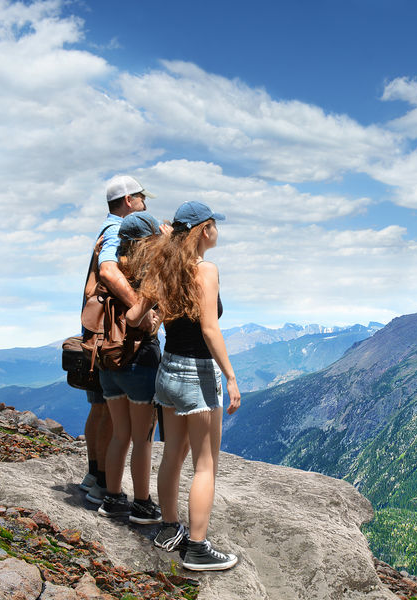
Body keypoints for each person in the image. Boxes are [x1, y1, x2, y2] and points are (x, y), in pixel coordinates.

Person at [126, 201, 241, 572]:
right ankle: (197, 547)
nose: (217, 232)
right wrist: (231, 376)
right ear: (204, 229)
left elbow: (132, 316)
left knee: (172, 454)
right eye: (214, 226)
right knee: (205, 465)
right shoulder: (206, 270)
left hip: (168, 370)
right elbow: (209, 327)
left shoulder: (162, 268)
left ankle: (168, 528)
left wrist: (157, 313)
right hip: (198, 374)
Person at [82, 175, 156, 505]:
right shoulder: (116, 230)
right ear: (128, 200)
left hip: (99, 336)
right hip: (123, 341)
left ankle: (97, 479)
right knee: (126, 426)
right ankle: (112, 489)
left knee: (103, 409)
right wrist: (141, 309)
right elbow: (110, 272)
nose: (144, 202)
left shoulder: (104, 230)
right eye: (141, 197)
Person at [95, 212, 164, 524]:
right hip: (140, 360)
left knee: (119, 434)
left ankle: (111, 498)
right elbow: (149, 323)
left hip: (109, 359)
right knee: (142, 439)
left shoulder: (110, 269)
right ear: (147, 241)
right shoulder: (147, 273)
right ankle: (141, 503)